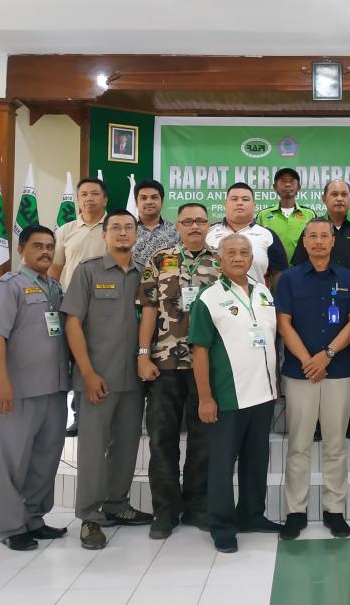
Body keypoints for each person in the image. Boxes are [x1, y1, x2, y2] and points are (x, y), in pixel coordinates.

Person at [62, 209, 153, 549]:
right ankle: (89, 516)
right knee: (93, 449)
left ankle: (118, 504)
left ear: (137, 234)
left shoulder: (145, 275)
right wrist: (86, 372)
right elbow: (72, 324)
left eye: (129, 228)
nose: (123, 233)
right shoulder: (88, 272)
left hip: (134, 378)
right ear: (105, 234)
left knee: (126, 447)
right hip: (97, 377)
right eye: (115, 227)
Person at [190, 234, 283, 553]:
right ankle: (221, 524)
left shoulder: (264, 294)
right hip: (228, 397)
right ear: (219, 258)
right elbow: (199, 352)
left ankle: (252, 514)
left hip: (263, 394)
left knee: (257, 460)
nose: (240, 257)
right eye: (232, 252)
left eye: (245, 252)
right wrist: (205, 398)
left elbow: (271, 340)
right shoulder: (209, 298)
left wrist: (276, 383)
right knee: (221, 464)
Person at [135, 202, 221, 538]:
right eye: (188, 221)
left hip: (206, 365)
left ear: (209, 225)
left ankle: (198, 507)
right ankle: (166, 512)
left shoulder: (221, 262)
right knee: (162, 439)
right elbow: (147, 311)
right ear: (179, 227)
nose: (195, 227)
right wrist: (142, 355)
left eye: (200, 221)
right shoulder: (160, 259)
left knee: (204, 441)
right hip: (164, 363)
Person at [0, 225, 70, 550]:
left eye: (50, 246)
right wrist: (1, 381)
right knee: (11, 462)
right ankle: (10, 526)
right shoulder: (8, 287)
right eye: (38, 246)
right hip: (16, 391)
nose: (46, 252)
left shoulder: (55, 287)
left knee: (45, 459)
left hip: (55, 388)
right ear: (22, 250)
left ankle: (34, 518)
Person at [276, 218, 350, 540]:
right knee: (298, 445)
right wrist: (308, 361)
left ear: (333, 241)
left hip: (338, 371)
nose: (318, 241)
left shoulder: (349, 278)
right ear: (304, 241)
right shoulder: (289, 278)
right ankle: (295, 511)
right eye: (312, 236)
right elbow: (284, 324)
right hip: (300, 373)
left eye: (324, 236)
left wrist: (326, 355)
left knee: (335, 444)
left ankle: (334, 509)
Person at [292, 179, 350, 440]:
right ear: (324, 199)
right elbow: (298, 266)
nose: (339, 198)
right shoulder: (313, 229)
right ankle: (319, 425)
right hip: (316, 306)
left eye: (344, 194)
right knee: (320, 361)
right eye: (334, 194)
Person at [50, 176, 109, 437]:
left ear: (105, 199)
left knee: (102, 359)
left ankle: (105, 413)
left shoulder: (115, 227)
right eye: (83, 194)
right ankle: (78, 415)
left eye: (94, 194)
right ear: (78, 199)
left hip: (106, 304)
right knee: (74, 360)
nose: (89, 198)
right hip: (70, 305)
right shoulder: (66, 230)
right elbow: (55, 269)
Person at [206, 182, 288, 289]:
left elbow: (279, 273)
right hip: (214, 301)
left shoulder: (267, 235)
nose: (239, 203)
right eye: (234, 199)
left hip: (255, 301)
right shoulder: (208, 232)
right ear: (225, 204)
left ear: (254, 206)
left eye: (245, 199)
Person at [256, 167, 317, 263]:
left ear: (299, 187)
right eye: (283, 181)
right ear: (275, 187)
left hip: (302, 271)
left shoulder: (309, 214)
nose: (288, 184)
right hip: (273, 272)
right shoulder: (263, 215)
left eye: (292, 181)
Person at [131, 178, 179, 268]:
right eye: (143, 198)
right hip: (133, 281)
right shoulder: (126, 231)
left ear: (162, 202)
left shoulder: (176, 231)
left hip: (168, 280)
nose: (149, 202)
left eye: (154, 197)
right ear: (136, 203)